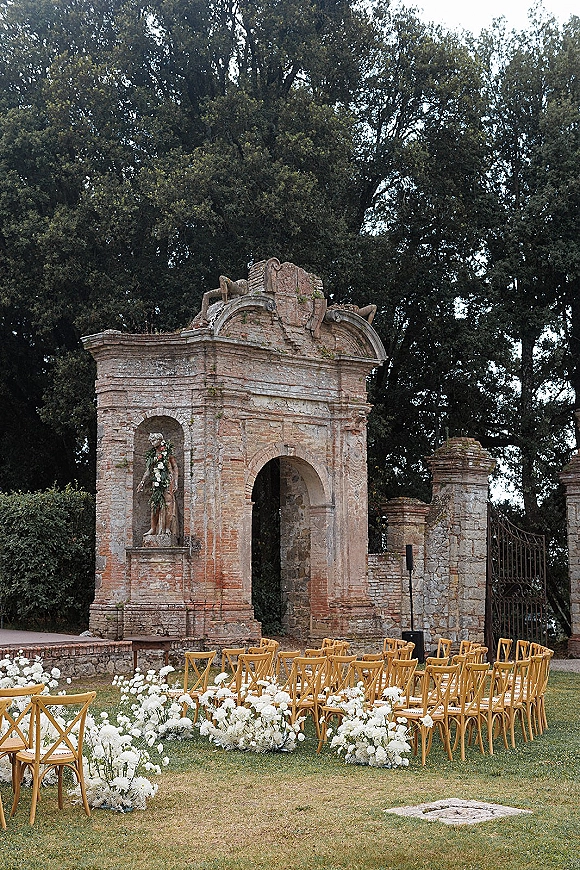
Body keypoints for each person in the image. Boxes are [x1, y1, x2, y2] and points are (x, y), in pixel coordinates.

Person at [137, 433, 179, 536]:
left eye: (154, 440)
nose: (152, 443)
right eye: (151, 441)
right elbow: (148, 471)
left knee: (168, 503)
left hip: (168, 480)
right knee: (154, 505)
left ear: (160, 440)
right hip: (156, 481)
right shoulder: (152, 455)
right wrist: (142, 482)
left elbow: (174, 467)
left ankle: (167, 528)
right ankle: (153, 528)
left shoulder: (167, 452)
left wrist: (176, 481)